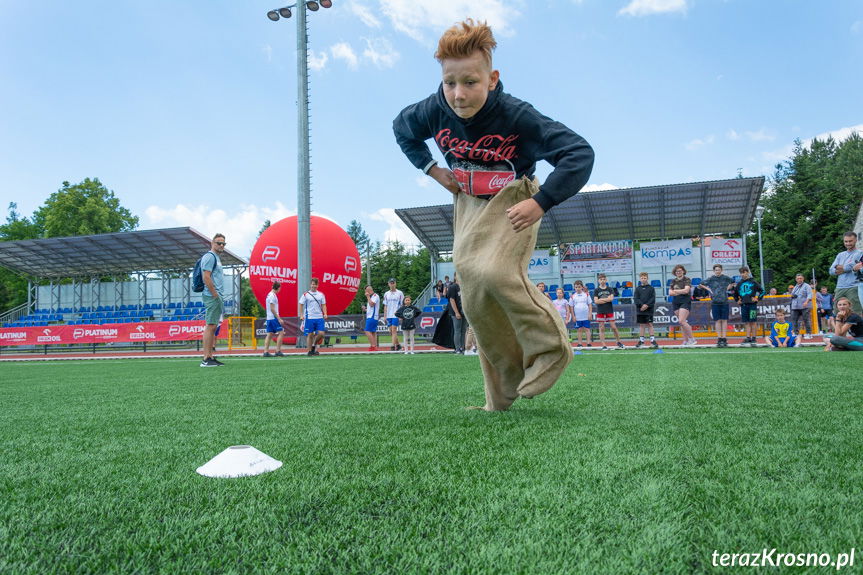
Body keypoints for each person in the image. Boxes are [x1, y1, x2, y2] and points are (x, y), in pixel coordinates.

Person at [393, 19, 594, 410]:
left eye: (470, 82)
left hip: (514, 197)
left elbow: (579, 153)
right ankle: (499, 395)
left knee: (496, 274)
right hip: (468, 199)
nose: (458, 94)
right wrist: (432, 169)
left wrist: (541, 201)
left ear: (492, 78)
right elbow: (402, 129)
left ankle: (551, 347)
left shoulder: (516, 115)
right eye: (450, 83)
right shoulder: (434, 108)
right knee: (473, 296)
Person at [200, 233, 226, 367]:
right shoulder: (209, 257)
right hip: (212, 296)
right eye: (218, 243)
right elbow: (206, 277)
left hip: (216, 295)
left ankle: (210, 356)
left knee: (214, 326)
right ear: (212, 243)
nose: (221, 245)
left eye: (223, 243)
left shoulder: (216, 258)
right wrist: (214, 293)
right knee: (210, 326)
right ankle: (206, 358)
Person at [700, 264, 735, 347]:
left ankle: (724, 338)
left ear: (721, 270)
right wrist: (709, 289)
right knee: (717, 320)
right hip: (715, 302)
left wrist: (727, 288)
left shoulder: (725, 278)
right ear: (714, 271)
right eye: (716, 270)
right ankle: (719, 338)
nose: (717, 271)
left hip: (724, 301)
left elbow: (733, 282)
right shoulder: (711, 278)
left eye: (719, 270)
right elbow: (701, 284)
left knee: (724, 320)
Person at [829, 231, 863, 315]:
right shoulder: (840, 255)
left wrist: (839, 267)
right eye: (846, 241)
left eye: (850, 241)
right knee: (837, 313)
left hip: (854, 286)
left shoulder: (860, 253)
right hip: (840, 287)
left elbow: (851, 266)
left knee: (856, 313)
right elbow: (831, 271)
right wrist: (848, 268)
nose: (848, 243)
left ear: (856, 240)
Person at [734, 266, 763, 346]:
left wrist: (757, 298)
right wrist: (737, 300)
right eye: (741, 273)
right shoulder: (739, 283)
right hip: (743, 305)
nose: (742, 274)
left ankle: (754, 338)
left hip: (752, 305)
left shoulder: (753, 282)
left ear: (747, 272)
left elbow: (762, 291)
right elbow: (735, 294)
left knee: (753, 321)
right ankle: (748, 337)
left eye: (744, 272)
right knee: (746, 322)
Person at [594, 273, 623, 350]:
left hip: (609, 310)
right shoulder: (596, 290)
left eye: (604, 279)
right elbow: (596, 301)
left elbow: (611, 299)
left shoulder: (610, 289)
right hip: (600, 310)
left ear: (606, 280)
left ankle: (618, 341)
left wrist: (601, 299)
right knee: (602, 328)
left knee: (613, 327)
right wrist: (606, 299)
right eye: (601, 279)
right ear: (598, 280)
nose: (602, 281)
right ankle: (603, 344)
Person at [298, 278, 327, 356]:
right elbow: (301, 304)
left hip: (319, 317)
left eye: (315, 284)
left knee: (321, 334)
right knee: (310, 334)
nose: (314, 286)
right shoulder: (306, 294)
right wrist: (301, 315)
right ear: (310, 285)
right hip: (309, 317)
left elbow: (324, 305)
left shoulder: (321, 294)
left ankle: (314, 345)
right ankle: (310, 351)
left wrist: (325, 313)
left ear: (317, 285)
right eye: (312, 284)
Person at [668, 264, 696, 347]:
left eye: (680, 271)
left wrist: (676, 291)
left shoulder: (687, 279)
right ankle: (685, 340)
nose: (678, 272)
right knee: (682, 323)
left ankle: (692, 339)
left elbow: (686, 291)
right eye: (677, 271)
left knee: (681, 321)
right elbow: (670, 293)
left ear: (683, 271)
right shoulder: (673, 281)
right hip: (676, 302)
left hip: (685, 301)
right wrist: (680, 291)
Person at [633, 272, 658, 348]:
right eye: (642, 278)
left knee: (650, 324)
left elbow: (653, 298)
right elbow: (636, 299)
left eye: (645, 278)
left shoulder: (651, 288)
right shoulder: (637, 289)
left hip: (649, 309)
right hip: (640, 309)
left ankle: (652, 341)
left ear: (647, 278)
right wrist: (642, 305)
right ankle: (641, 341)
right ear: (640, 279)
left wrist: (646, 305)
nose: (643, 279)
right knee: (642, 325)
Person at [262, 281, 286, 357]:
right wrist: (279, 319)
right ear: (278, 288)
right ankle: (278, 351)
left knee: (269, 334)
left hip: (269, 318)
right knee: (281, 332)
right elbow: (272, 308)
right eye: (280, 288)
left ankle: (266, 352)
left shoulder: (269, 294)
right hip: (273, 318)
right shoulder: (272, 296)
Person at [789, 273, 814, 339]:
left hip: (804, 306)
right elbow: (792, 294)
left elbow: (810, 295)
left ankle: (809, 334)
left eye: (800, 278)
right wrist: (792, 295)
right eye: (798, 278)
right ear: (796, 279)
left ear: (803, 279)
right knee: (794, 320)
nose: (799, 279)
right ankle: (795, 333)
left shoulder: (807, 286)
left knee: (806, 320)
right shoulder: (795, 287)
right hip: (795, 306)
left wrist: (806, 302)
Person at [447, 274, 467, 354]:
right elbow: (452, 300)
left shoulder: (464, 286)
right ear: (455, 277)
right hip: (456, 312)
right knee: (457, 331)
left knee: (463, 331)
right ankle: (457, 349)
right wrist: (456, 312)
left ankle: (463, 348)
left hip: (464, 312)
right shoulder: (452, 287)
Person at [569, 280, 592, 347]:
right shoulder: (573, 296)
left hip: (586, 316)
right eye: (576, 287)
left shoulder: (586, 294)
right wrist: (573, 316)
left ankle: (588, 343)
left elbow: (590, 304)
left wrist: (590, 314)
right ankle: (580, 343)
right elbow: (571, 307)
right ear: (574, 288)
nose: (577, 288)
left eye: (579, 287)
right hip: (578, 317)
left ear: (582, 287)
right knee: (579, 330)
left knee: (587, 329)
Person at [383, 278, 405, 351]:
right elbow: (385, 305)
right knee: (391, 332)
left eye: (393, 283)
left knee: (394, 330)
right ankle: (398, 345)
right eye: (391, 283)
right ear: (388, 284)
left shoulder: (400, 293)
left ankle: (392, 346)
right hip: (389, 315)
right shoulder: (386, 294)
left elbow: (402, 305)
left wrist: (401, 315)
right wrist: (385, 315)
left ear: (395, 283)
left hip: (396, 314)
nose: (392, 284)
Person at [362, 285, 380, 351]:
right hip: (372, 316)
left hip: (372, 316)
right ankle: (374, 346)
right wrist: (365, 309)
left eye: (366, 291)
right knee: (373, 332)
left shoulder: (375, 296)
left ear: (368, 290)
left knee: (367, 331)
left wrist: (368, 296)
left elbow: (372, 304)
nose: (365, 293)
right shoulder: (372, 297)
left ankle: (373, 346)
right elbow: (371, 308)